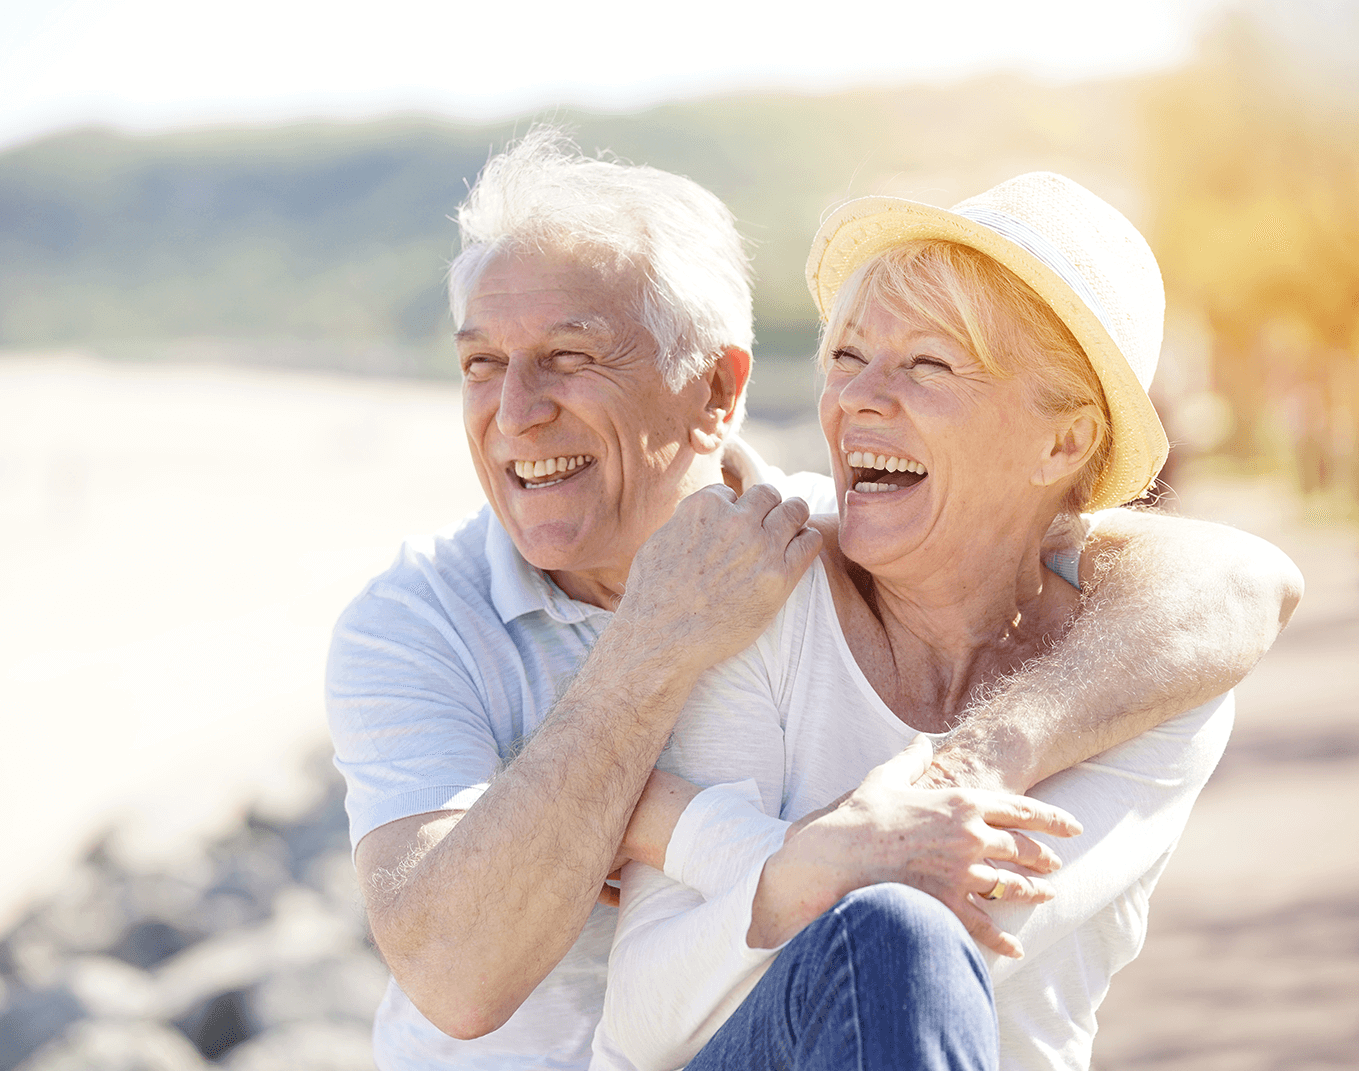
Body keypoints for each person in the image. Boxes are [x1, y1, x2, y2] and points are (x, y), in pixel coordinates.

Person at [325, 131, 1303, 1070]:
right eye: (479, 365)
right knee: (891, 929)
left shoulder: (811, 563)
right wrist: (654, 659)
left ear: (717, 391)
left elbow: (1241, 578)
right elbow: (459, 978)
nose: (515, 411)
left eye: (570, 357)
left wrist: (939, 775)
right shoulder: (424, 622)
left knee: (896, 934)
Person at [596, 173, 1292, 1071]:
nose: (859, 399)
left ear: (1063, 442)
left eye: (927, 363)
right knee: (890, 931)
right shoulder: (769, 590)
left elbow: (965, 927)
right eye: (846, 357)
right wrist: (811, 860)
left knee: (901, 940)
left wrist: (706, 834)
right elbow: (651, 1022)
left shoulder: (1152, 673)